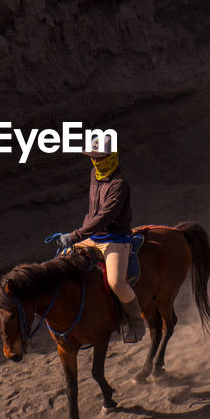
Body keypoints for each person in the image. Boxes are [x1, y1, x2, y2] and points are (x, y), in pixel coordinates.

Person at [45, 134, 144, 342]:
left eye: (99, 157)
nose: (96, 161)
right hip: (92, 235)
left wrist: (74, 235)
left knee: (116, 282)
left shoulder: (120, 182)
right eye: (93, 157)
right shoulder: (94, 174)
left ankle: (136, 321)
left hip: (115, 239)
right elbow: (93, 214)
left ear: (111, 155)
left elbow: (105, 216)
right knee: (61, 261)